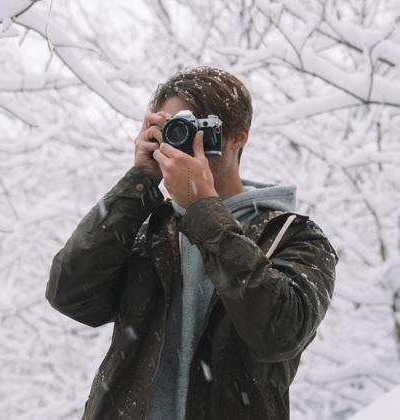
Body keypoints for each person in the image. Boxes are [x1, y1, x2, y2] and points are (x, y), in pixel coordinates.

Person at [46, 66, 338, 420]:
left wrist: (204, 210)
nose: (184, 139)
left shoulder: (295, 237)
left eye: (200, 127)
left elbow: (278, 334)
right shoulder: (147, 228)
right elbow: (69, 295)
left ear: (238, 136)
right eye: (172, 128)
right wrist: (139, 182)